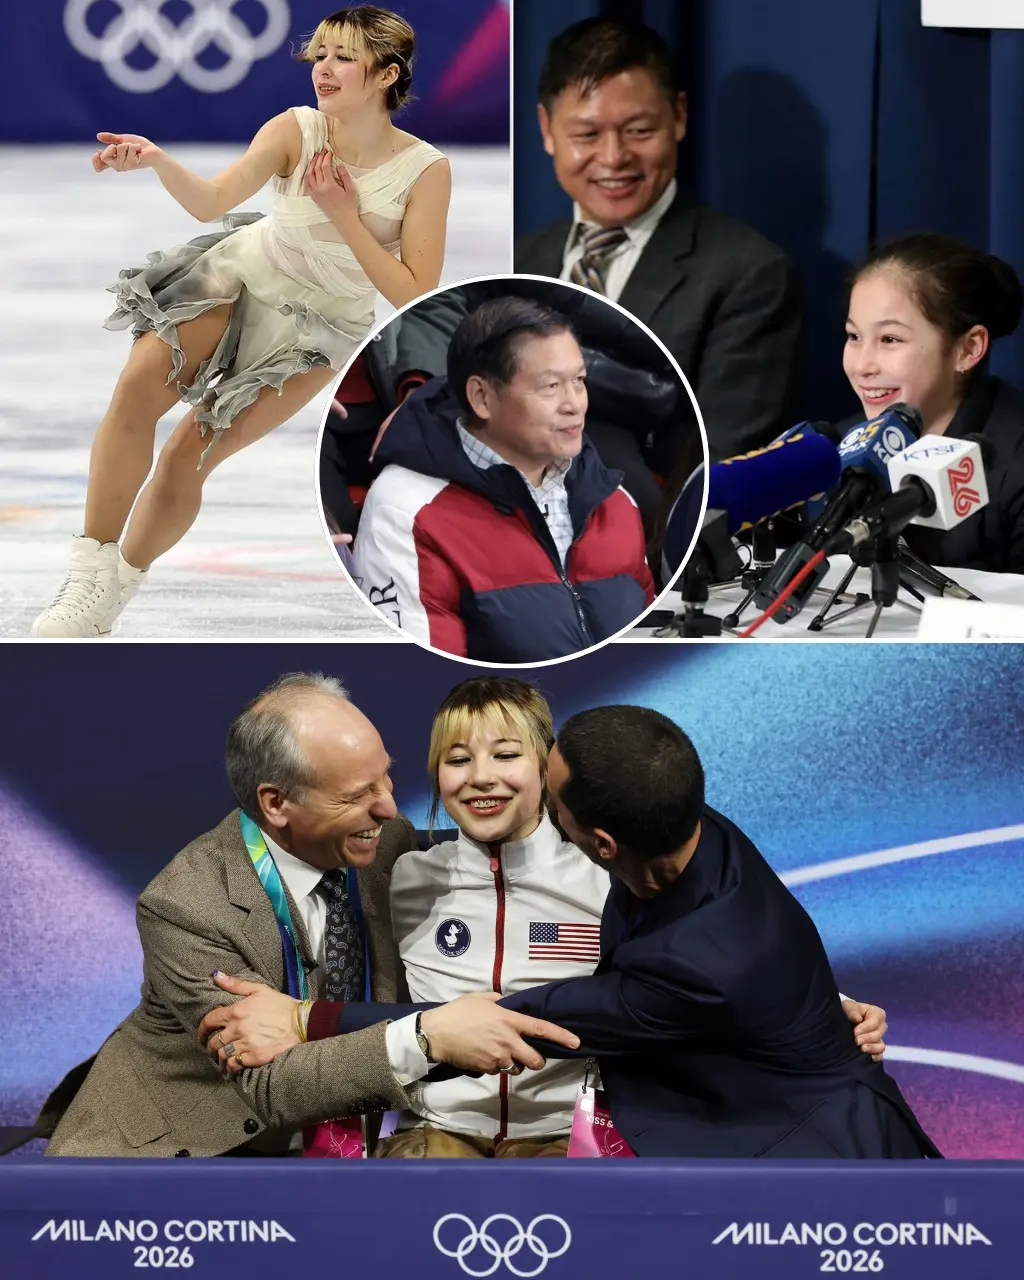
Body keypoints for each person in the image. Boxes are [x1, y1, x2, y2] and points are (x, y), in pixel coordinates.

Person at [201, 683, 892, 1159]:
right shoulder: (401, 871)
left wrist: (819, 1002)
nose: (481, 776)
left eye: (507, 755)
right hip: (436, 1135)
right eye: (457, 759)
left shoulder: (607, 873)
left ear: (550, 775)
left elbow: (698, 971)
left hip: (570, 1138)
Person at [31, 6, 451, 639]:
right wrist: (156, 160)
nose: (323, 69)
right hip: (244, 272)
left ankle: (111, 592)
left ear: (387, 74)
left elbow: (413, 292)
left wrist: (343, 215)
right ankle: (86, 570)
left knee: (189, 453)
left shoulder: (425, 170)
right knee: (137, 391)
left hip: (321, 326)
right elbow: (212, 202)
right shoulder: (295, 129)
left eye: (343, 57)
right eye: (319, 55)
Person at [39, 673, 577, 1157]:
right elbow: (272, 1085)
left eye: (385, 778)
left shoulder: (382, 842)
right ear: (276, 803)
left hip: (356, 1147)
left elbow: (500, 844)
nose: (389, 808)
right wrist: (426, 1035)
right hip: (193, 1151)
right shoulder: (186, 905)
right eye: (358, 794)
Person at [514, 18, 802, 460]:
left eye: (639, 131)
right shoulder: (516, 260)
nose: (614, 157)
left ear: (679, 117)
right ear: (547, 130)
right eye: (587, 134)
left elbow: (718, 462)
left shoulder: (748, 273)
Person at [351, 295, 656, 661]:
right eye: (551, 386)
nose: (574, 404)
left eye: (579, 380)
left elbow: (646, 647)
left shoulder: (615, 500)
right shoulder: (405, 510)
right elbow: (423, 670)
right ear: (482, 397)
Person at [842, 233, 1024, 574]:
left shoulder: (1015, 459)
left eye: (890, 339)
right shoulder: (845, 444)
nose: (862, 366)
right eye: (854, 336)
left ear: (968, 349)